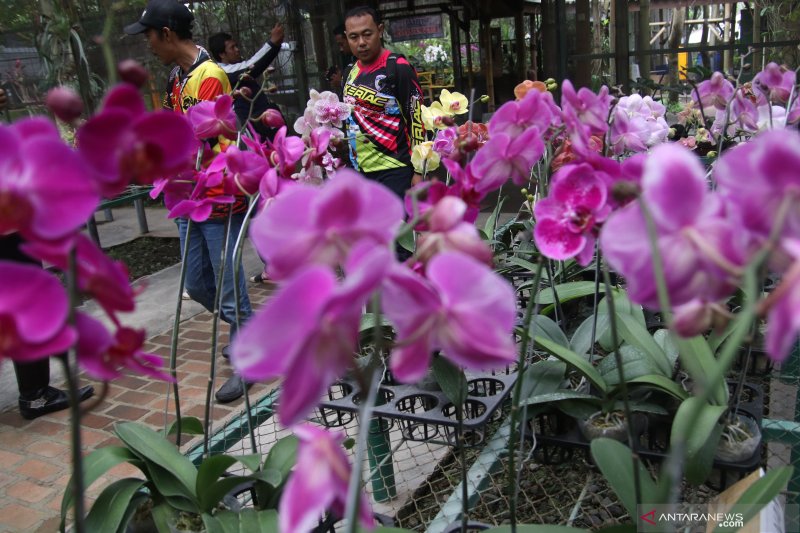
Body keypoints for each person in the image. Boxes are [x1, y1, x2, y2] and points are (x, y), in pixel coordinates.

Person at [125, 0, 252, 403]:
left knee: (229, 286)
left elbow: (204, 139)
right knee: (196, 283)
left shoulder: (208, 75)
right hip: (185, 193)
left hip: (215, 195)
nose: (147, 45)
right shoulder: (177, 77)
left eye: (148, 36)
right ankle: (250, 328)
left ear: (166, 33)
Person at [342, 6, 425, 202]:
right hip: (359, 171)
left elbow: (417, 118)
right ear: (346, 37)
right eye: (354, 37)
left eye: (367, 34)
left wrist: (420, 170)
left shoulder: (398, 68)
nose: (361, 42)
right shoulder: (348, 72)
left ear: (380, 30)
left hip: (395, 170)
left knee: (394, 231)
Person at [208, 23, 285, 142]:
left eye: (236, 46)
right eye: (232, 47)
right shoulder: (222, 72)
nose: (237, 50)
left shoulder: (232, 68)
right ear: (222, 54)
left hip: (260, 125)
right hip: (251, 131)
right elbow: (251, 68)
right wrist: (272, 43)